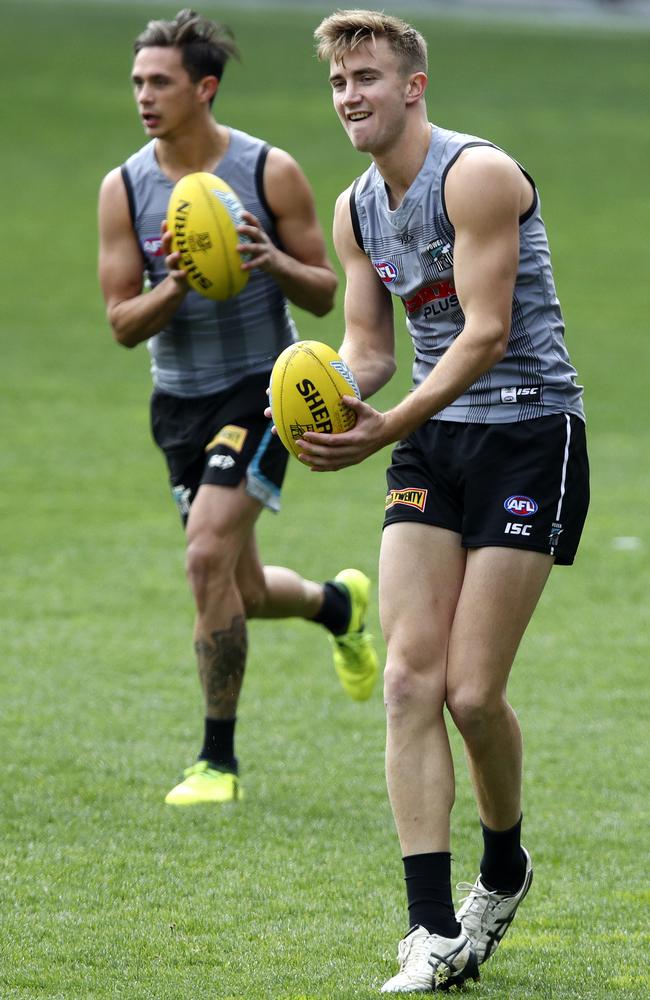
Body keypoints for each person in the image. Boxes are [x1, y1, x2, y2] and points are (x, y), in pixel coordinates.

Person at [308, 10, 590, 993]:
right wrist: (330, 395)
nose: (350, 95)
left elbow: (480, 331)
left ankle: (503, 865)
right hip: (431, 438)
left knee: (471, 692)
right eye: (339, 81)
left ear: (413, 85)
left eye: (368, 77)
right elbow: (373, 346)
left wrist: (386, 422)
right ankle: (428, 928)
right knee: (404, 679)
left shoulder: (473, 175)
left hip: (525, 433)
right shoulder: (353, 209)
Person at [97, 9, 379, 807]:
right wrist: (178, 283)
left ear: (204, 88)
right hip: (178, 401)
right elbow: (120, 324)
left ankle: (216, 761)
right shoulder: (124, 188)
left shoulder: (269, 171)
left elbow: (327, 295)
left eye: (160, 82)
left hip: (262, 389)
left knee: (202, 558)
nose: (144, 97)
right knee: (239, 586)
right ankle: (338, 604)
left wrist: (270, 259)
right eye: (138, 83)